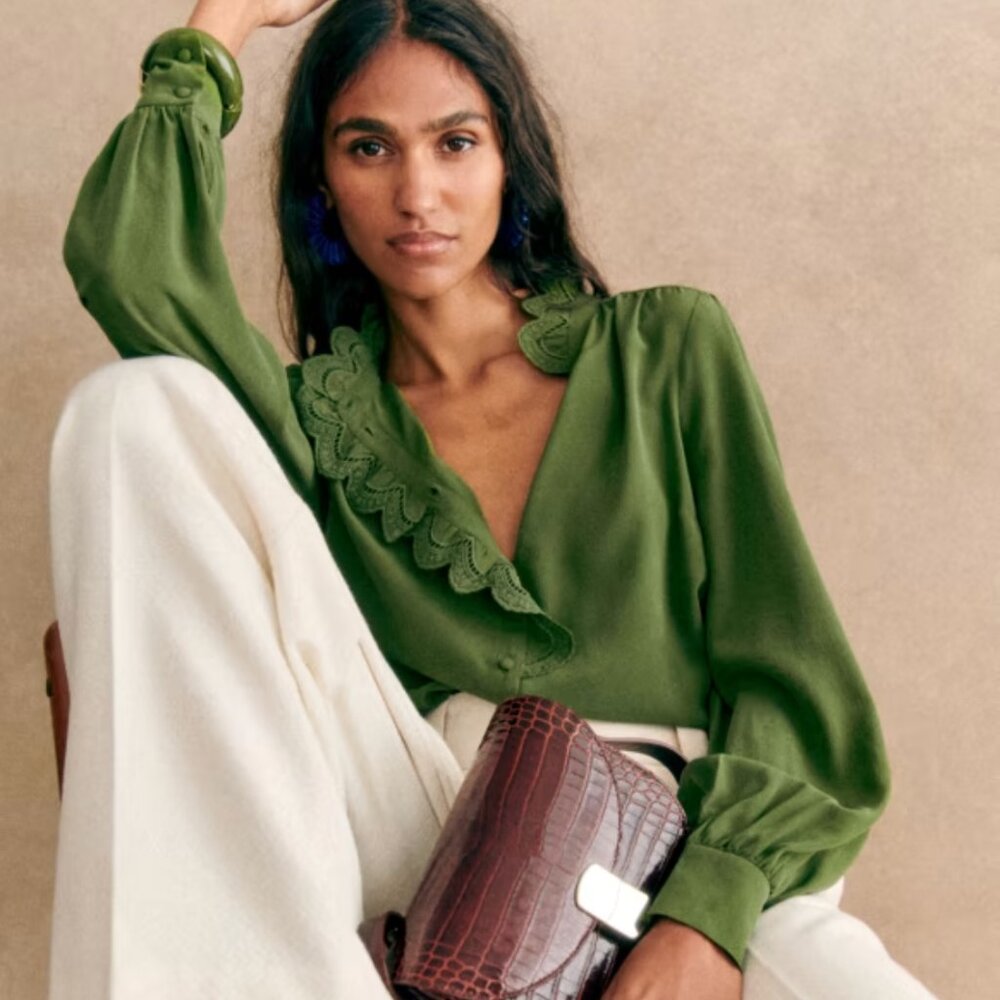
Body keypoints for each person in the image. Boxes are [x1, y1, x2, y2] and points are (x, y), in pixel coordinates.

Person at [48, 0, 937, 997]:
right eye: (369, 147)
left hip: (669, 845)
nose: (417, 193)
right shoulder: (315, 421)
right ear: (322, 182)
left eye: (455, 142)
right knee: (132, 402)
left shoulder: (666, 352)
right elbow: (128, 261)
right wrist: (227, 19)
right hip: (435, 830)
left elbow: (792, 677)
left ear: (509, 158)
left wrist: (705, 917)